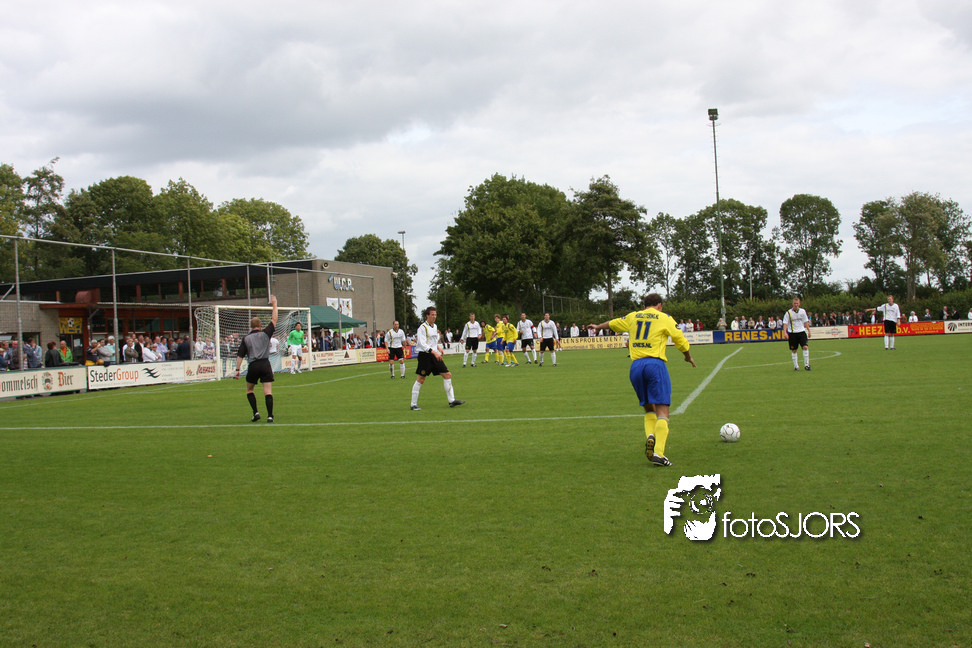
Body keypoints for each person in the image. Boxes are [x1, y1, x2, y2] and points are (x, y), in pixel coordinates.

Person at [588, 293, 695, 467]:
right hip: (655, 365)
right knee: (663, 411)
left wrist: (598, 326)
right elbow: (680, 340)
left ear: (644, 306)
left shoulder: (633, 316)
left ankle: (650, 435)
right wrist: (687, 356)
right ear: (659, 305)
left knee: (649, 408)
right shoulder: (664, 317)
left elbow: (613, 323)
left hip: (636, 367)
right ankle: (659, 454)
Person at [410, 306, 464, 410]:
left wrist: (438, 348)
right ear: (427, 315)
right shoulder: (422, 328)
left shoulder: (434, 326)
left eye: (435, 314)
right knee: (421, 379)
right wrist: (434, 352)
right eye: (432, 315)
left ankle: (452, 401)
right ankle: (413, 404)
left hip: (434, 354)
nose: (434, 316)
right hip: (425, 356)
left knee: (447, 375)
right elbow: (422, 343)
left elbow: (433, 341)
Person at [235, 295, 278, 422]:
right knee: (267, 391)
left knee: (249, 390)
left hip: (253, 365)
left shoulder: (246, 338)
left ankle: (256, 413)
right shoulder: (266, 333)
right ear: (260, 325)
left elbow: (240, 355)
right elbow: (274, 319)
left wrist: (237, 370)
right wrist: (274, 304)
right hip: (265, 364)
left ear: (251, 326)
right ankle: (270, 416)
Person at [782, 297, 812, 371]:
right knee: (794, 350)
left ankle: (807, 365)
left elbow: (806, 321)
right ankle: (796, 366)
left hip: (801, 332)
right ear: (793, 304)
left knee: (805, 347)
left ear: (799, 304)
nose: (796, 305)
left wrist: (809, 331)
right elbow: (785, 323)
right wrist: (785, 332)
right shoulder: (788, 313)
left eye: (797, 303)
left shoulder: (802, 311)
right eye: (795, 303)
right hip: (793, 333)